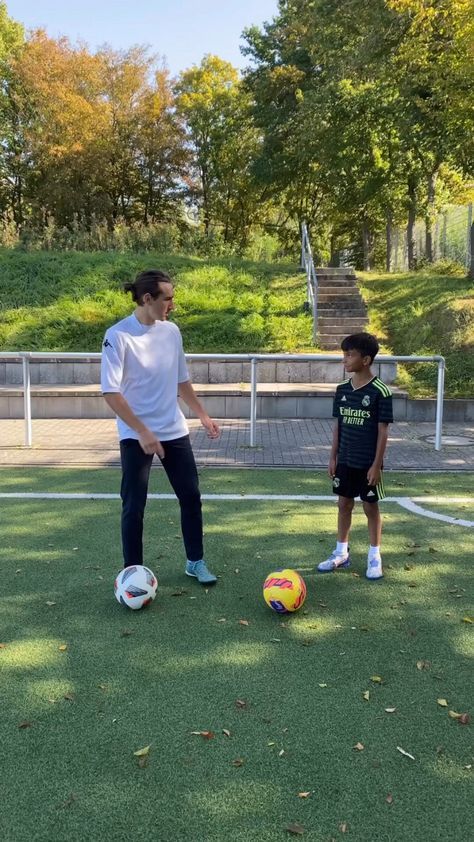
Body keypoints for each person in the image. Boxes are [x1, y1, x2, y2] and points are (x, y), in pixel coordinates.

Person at [100, 269, 220, 585]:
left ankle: (195, 561)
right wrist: (141, 430)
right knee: (134, 504)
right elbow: (111, 392)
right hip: (135, 434)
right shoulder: (118, 336)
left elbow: (182, 379)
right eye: (168, 298)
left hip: (173, 429)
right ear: (147, 298)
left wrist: (202, 414)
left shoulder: (171, 332)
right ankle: (133, 573)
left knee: (191, 496)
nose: (173, 305)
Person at [317, 332, 393, 580]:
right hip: (345, 460)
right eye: (344, 354)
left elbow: (383, 431)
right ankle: (341, 552)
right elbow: (338, 425)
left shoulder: (381, 391)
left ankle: (374, 556)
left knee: (370, 507)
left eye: (350, 355)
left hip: (367, 463)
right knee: (343, 504)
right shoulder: (342, 390)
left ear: (366, 360)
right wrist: (333, 457)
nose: (344, 359)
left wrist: (377, 465)